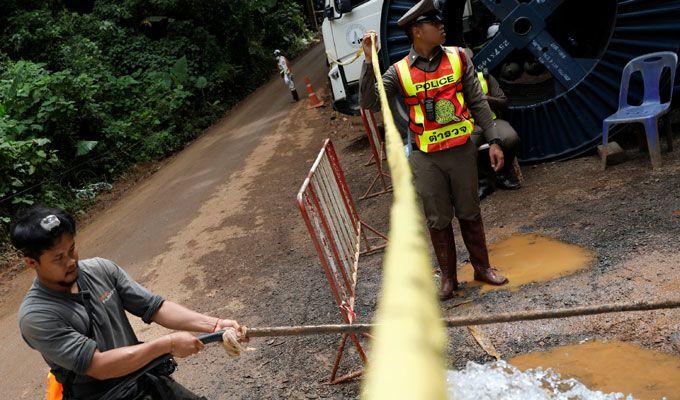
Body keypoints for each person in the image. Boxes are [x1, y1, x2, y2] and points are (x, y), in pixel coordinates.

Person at [12, 206, 247, 399]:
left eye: (72, 249)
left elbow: (154, 307)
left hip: (144, 376)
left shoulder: (100, 269)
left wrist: (215, 326)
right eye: (58, 258)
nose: (72, 261)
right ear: (31, 263)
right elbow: (100, 366)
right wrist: (168, 344)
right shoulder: (36, 317)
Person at [359, 0, 508, 300]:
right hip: (427, 158)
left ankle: (482, 268)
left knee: (469, 211)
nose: (441, 27)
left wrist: (494, 140)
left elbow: (478, 102)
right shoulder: (399, 72)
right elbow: (370, 103)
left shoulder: (459, 57)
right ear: (417, 31)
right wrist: (367, 60)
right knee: (438, 219)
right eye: (434, 24)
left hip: (461, 150)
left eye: (440, 22)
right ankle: (449, 280)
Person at [473, 65, 521, 199]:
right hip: (470, 126)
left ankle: (502, 176)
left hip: (492, 121)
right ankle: (483, 183)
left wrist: (485, 99)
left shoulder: (485, 77)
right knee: (466, 148)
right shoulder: (450, 83)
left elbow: (504, 102)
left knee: (511, 137)